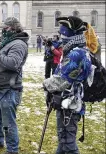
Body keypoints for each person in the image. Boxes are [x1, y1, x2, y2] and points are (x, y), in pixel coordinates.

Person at [43, 16, 92, 154]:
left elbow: (61, 80)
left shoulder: (76, 53)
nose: (61, 37)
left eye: (64, 33)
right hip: (66, 102)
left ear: (71, 35)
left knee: (69, 144)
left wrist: (46, 84)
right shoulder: (73, 49)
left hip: (70, 104)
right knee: (63, 140)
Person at [0, 17, 29, 154]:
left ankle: (12, 150)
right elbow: (1, 60)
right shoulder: (8, 42)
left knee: (8, 123)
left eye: (5, 28)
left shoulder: (18, 44)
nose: (2, 30)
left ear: (13, 28)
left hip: (9, 89)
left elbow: (13, 63)